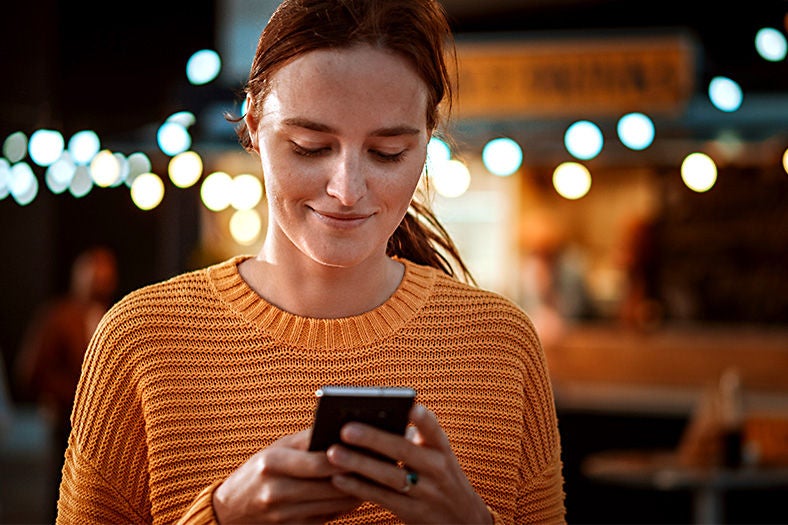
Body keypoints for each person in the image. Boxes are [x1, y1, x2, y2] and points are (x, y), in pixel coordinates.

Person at [56, 1, 566, 523]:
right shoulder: (144, 340)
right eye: (309, 146)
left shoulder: (499, 346)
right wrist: (223, 515)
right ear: (253, 125)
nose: (347, 190)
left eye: (387, 152)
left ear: (426, 142)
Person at [14, 246, 117, 519]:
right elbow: (32, 369)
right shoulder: (58, 316)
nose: (100, 280)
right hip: (66, 420)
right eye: (94, 273)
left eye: (106, 274)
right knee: (62, 490)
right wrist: (72, 396)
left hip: (104, 427)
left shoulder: (111, 315)